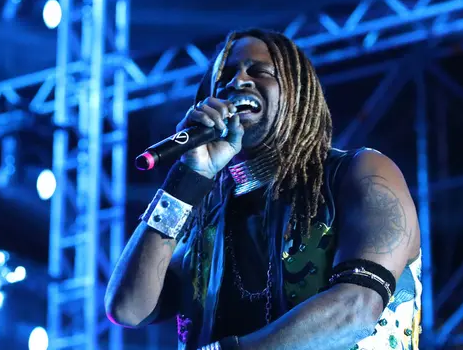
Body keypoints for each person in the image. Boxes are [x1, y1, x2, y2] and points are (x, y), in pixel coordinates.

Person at [105, 29, 422, 350]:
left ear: (296, 94)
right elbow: (127, 309)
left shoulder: (361, 173)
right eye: (225, 76)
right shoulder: (205, 224)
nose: (237, 81)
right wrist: (187, 177)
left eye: (259, 72)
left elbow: (355, 309)